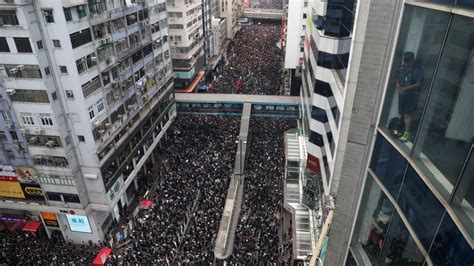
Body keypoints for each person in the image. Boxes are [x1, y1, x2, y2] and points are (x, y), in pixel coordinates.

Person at [395, 51, 424, 142]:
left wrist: (407, 88)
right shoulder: (401, 69)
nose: (406, 63)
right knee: (402, 113)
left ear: (413, 60)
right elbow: (398, 79)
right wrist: (398, 85)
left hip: (411, 95)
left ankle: (407, 133)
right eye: (405, 61)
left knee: (408, 114)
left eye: (408, 61)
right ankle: (401, 129)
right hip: (402, 94)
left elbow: (418, 83)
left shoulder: (417, 71)